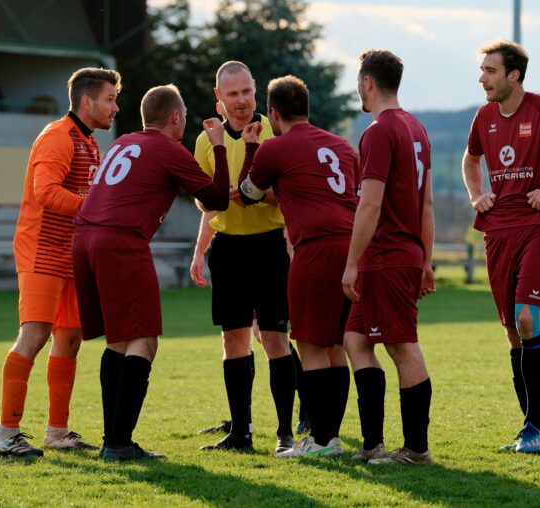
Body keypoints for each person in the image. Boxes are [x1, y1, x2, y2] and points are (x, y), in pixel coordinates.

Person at [73, 84, 231, 460]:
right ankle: (119, 443)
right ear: (175, 117)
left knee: (119, 340)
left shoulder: (125, 141)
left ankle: (113, 439)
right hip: (119, 242)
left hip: (84, 238)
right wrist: (220, 146)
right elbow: (218, 200)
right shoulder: (168, 148)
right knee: (144, 340)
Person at [0, 68, 120, 457]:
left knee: (70, 338)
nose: (115, 107)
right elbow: (44, 192)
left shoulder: (89, 142)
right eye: (110, 99)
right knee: (35, 335)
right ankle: (5, 433)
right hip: (42, 249)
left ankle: (57, 431)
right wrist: (93, 209)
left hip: (70, 253)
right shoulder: (56, 137)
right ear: (87, 102)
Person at [461, 40, 540, 452]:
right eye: (482, 70)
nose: (482, 78)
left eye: (490, 70)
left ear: (514, 75)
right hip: (497, 232)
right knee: (512, 329)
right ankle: (532, 428)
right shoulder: (484, 116)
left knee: (526, 319)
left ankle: (536, 427)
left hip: (535, 229)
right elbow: (470, 160)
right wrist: (477, 195)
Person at [237, 75, 357, 457]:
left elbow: (248, 193)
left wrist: (253, 147)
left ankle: (321, 441)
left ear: (273, 112)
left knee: (308, 344)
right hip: (351, 248)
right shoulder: (342, 147)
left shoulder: (277, 147)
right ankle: (330, 437)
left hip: (316, 250)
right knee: (335, 344)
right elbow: (313, 190)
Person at [189, 61, 303, 453]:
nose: (241, 101)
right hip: (229, 249)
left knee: (276, 339)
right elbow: (204, 201)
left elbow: (291, 193)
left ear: (256, 91)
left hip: (270, 244)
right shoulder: (207, 140)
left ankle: (285, 433)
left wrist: (256, 192)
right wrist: (201, 246)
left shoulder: (275, 131)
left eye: (246, 92)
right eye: (232, 94)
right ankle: (240, 432)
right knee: (233, 340)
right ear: (219, 99)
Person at [342, 49, 436, 465]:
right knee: (356, 339)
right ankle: (372, 444)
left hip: (387, 255)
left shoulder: (379, 131)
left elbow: (369, 205)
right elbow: (427, 205)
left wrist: (351, 262)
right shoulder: (416, 127)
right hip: (405, 252)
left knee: (401, 346)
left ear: (368, 83)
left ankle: (417, 449)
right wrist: (427, 259)